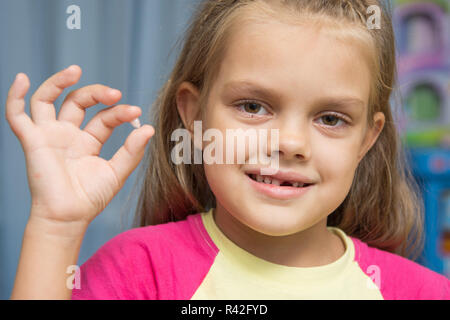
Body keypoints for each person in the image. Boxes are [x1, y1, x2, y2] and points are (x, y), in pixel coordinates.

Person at [6, 0, 450, 300]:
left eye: (331, 118)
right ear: (194, 116)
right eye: (253, 107)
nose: (290, 144)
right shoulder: (141, 272)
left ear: (367, 139)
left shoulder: (420, 293)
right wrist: (56, 226)